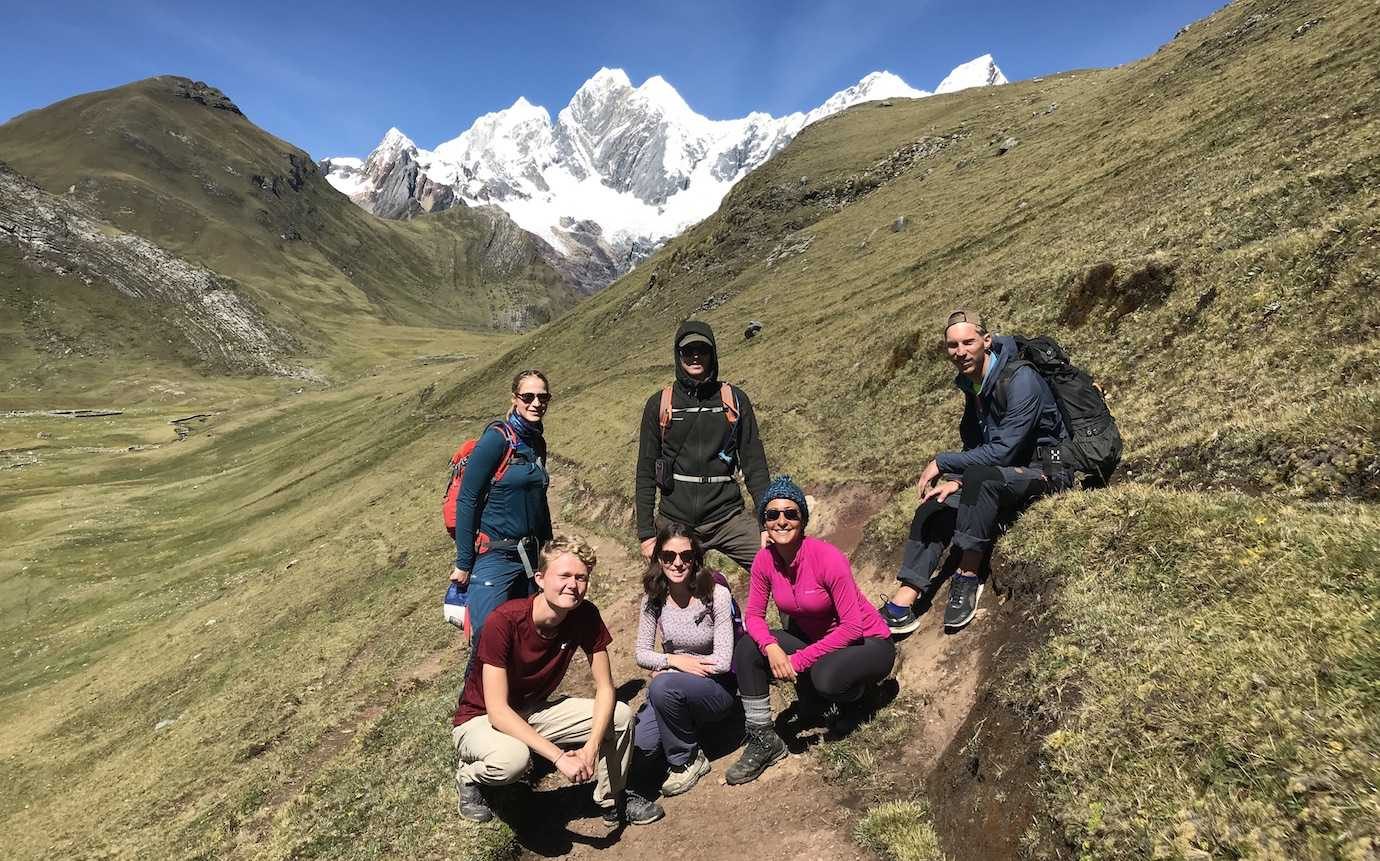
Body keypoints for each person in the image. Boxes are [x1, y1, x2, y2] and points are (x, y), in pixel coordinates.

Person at [879, 310, 1073, 635]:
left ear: (987, 341)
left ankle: (968, 576)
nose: (961, 351)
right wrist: (956, 481)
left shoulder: (1020, 378)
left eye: (968, 342)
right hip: (1005, 472)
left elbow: (1003, 450)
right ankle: (905, 598)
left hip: (1049, 468)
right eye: (952, 345)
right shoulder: (973, 385)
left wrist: (944, 463)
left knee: (980, 481)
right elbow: (978, 446)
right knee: (935, 504)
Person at [451, 534, 665, 826]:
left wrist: (590, 747)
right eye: (563, 575)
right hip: (482, 717)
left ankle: (613, 798)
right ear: (539, 578)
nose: (573, 585)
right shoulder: (504, 622)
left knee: (620, 715)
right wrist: (559, 757)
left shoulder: (585, 615)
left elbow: (605, 688)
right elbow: (498, 711)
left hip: (531, 710)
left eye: (581, 577)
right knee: (513, 760)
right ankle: (468, 774)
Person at [726, 476, 896, 785]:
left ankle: (863, 696)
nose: (782, 520)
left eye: (791, 513)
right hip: (822, 644)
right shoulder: (764, 561)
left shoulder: (827, 558)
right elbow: (753, 616)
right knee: (748, 647)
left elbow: (851, 627)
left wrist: (798, 660)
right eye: (773, 514)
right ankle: (764, 739)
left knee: (825, 679)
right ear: (764, 521)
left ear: (803, 519)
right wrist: (772, 648)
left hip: (868, 643)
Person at [635, 320, 770, 571]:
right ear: (678, 355)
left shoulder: (735, 400)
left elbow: (755, 466)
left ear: (713, 353)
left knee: (777, 572)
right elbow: (645, 471)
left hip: (728, 518)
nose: (695, 355)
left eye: (702, 349)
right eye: (688, 350)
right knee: (660, 591)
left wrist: (765, 522)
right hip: (675, 521)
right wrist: (646, 533)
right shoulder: (659, 404)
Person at [632, 523, 737, 798]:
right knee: (641, 745)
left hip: (716, 688)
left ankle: (687, 760)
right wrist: (673, 661)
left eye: (686, 556)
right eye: (668, 556)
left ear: (695, 558)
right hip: (675, 683)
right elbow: (641, 653)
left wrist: (670, 670)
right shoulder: (653, 598)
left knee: (662, 688)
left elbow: (723, 661)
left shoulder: (716, 594)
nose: (677, 564)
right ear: (658, 558)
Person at [450, 370, 554, 650]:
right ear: (515, 399)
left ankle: (521, 695)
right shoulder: (497, 439)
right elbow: (467, 499)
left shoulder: (536, 443)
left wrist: (550, 551)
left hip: (531, 559)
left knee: (526, 637)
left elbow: (539, 502)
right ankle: (477, 695)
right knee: (489, 640)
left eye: (542, 397)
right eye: (528, 396)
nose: (536, 403)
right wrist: (463, 562)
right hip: (495, 556)